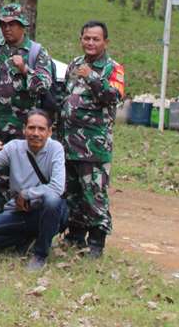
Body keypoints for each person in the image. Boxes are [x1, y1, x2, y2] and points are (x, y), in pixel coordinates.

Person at [0, 110, 68, 270]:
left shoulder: (56, 148)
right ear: (24, 129)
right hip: (20, 211)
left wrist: (26, 194)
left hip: (47, 211)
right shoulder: (13, 147)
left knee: (53, 200)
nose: (35, 133)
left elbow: (57, 187)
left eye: (41, 129)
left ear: (49, 132)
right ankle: (24, 240)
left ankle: (40, 254)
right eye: (31, 128)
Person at [59, 20, 124, 259]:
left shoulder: (113, 68)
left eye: (96, 39)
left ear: (105, 42)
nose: (90, 43)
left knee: (94, 193)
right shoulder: (74, 64)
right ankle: (75, 235)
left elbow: (113, 96)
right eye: (86, 38)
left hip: (94, 145)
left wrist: (93, 77)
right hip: (69, 142)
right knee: (73, 191)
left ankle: (97, 240)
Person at [0, 2, 55, 210]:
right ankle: (0, 219)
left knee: (24, 177)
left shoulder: (36, 52)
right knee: (0, 177)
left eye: (12, 24)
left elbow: (44, 85)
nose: (7, 28)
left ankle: (24, 224)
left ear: (23, 26)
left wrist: (24, 69)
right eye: (3, 24)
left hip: (25, 130)